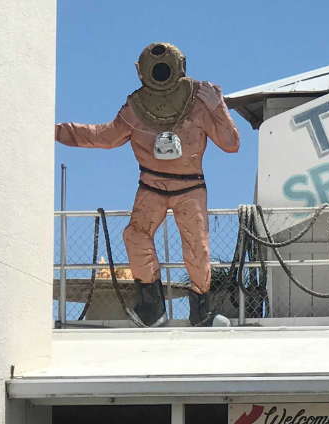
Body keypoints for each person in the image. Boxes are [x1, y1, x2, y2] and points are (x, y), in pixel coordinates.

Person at [56, 42, 240, 327]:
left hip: (189, 187)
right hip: (151, 186)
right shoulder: (135, 107)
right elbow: (105, 136)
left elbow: (231, 144)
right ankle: (152, 307)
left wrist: (218, 108)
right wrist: (58, 131)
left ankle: (200, 313)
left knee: (196, 245)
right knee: (135, 235)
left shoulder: (201, 100)